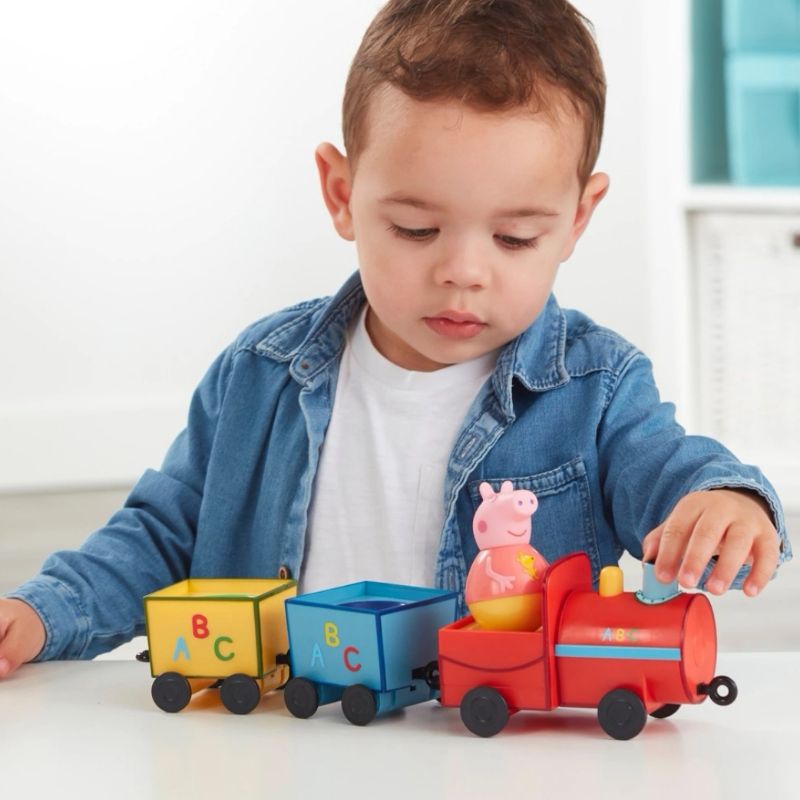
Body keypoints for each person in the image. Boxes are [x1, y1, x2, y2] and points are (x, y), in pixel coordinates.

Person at [0, 0, 791, 679]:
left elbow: (671, 469)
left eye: (514, 238)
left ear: (577, 218)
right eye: (416, 228)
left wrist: (724, 500)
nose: (463, 272)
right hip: (285, 735)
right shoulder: (260, 375)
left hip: (486, 748)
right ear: (342, 194)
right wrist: (42, 614)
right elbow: (160, 533)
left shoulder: (595, 387)